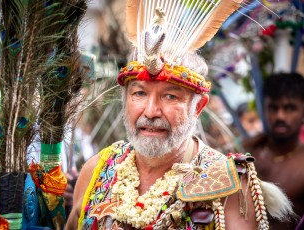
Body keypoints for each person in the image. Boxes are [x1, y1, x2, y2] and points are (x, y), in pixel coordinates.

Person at [66, 1, 293, 229]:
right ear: (125, 100)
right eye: (139, 93)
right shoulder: (97, 169)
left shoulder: (229, 187)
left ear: (198, 107)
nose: (151, 111)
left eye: (170, 97)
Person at [243, 72, 304, 229]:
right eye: (273, 108)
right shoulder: (246, 152)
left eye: (290, 108)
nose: (280, 116)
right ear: (264, 109)